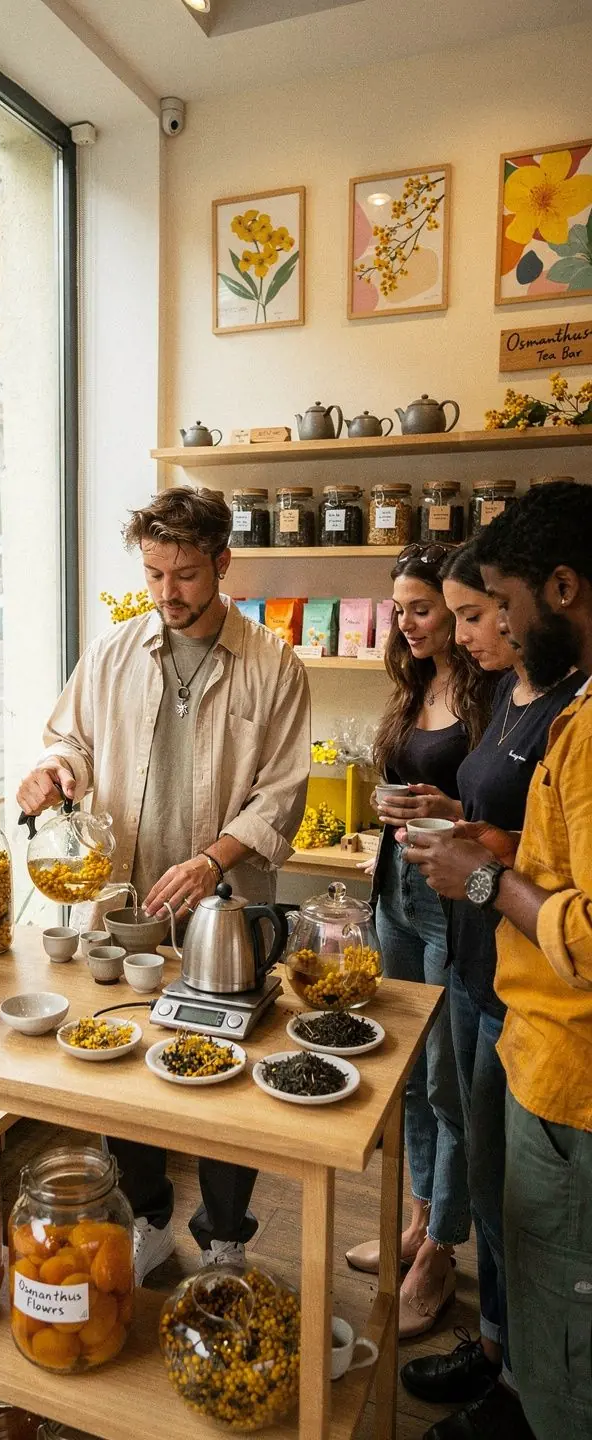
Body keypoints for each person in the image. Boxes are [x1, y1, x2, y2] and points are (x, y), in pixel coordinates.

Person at [17, 486, 311, 1283]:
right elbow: (71, 739)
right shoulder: (114, 652)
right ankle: (146, 1216)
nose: (167, 593)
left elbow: (282, 794)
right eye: (153, 574)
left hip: (224, 902)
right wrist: (52, 771)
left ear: (222, 563)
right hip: (131, 898)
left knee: (227, 1068)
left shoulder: (273, 664)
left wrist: (212, 859)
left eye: (184, 575)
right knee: (126, 1052)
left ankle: (225, 1236)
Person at [405, 481, 592, 1440]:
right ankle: (508, 1377)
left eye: (504, 605)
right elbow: (563, 862)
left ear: (563, 588)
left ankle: (532, 1404)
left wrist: (482, 878)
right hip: (530, 1030)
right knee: (520, 1234)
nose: (503, 629)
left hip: (572, 1066)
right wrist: (496, 843)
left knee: (563, 1304)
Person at [346, 543, 495, 1340]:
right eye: (398, 608)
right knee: (404, 1073)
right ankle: (416, 1220)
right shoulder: (412, 684)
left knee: (446, 1082)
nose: (406, 623)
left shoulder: (488, 691)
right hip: (396, 894)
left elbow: (495, 816)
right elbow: (404, 787)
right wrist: (386, 801)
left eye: (424, 608)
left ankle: (441, 1248)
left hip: (450, 905)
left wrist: (448, 807)